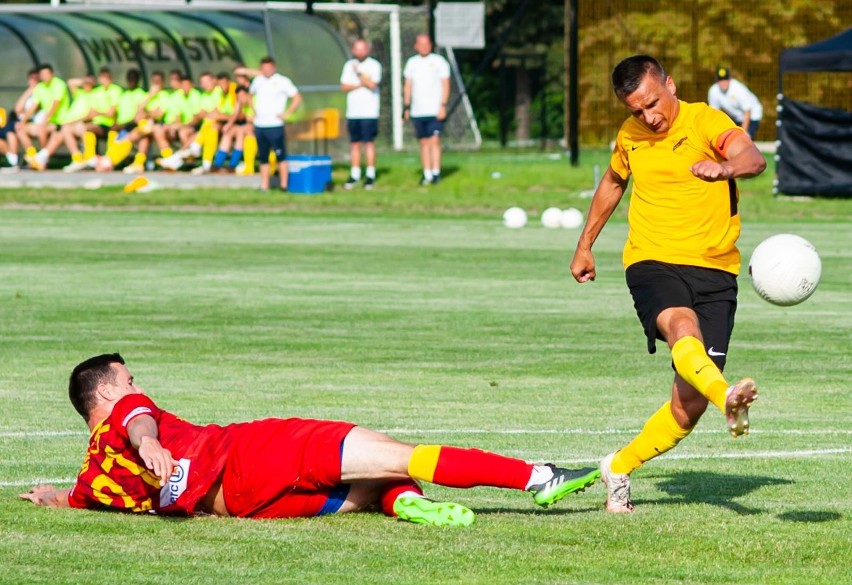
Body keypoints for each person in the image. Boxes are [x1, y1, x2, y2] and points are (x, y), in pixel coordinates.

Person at [19, 354, 599, 526]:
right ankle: (536, 477)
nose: (138, 384)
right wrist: (148, 440)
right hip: (252, 452)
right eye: (128, 377)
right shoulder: (127, 411)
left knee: (368, 489)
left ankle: (409, 502)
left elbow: (79, 496)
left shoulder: (90, 477)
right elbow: (138, 418)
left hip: (242, 508)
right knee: (399, 455)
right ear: (106, 393)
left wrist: (51, 498)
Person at [569, 55, 767, 513]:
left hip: (717, 270)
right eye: (636, 110)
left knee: (686, 407)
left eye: (652, 103)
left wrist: (726, 169)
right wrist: (585, 244)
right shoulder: (630, 135)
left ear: (670, 85)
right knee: (681, 327)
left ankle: (618, 466)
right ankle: (729, 397)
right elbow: (614, 182)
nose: (647, 116)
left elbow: (752, 157)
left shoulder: (705, 120)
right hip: (652, 260)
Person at [235, 57, 302, 191]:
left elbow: (297, 97)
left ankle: (284, 185)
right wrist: (254, 110)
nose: (266, 71)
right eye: (264, 68)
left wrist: (287, 113)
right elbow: (249, 94)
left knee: (280, 156)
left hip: (275, 124)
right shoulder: (258, 81)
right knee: (263, 157)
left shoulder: (282, 81)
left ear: (274, 68)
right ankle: (265, 186)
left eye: (269, 68)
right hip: (260, 125)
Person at [403, 34, 450, 185]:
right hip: (418, 110)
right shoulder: (412, 63)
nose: (424, 47)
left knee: (434, 140)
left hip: (434, 110)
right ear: (416, 46)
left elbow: (445, 84)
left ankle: (436, 172)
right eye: (421, 44)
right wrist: (407, 106)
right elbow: (408, 85)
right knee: (423, 142)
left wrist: (443, 105)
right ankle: (426, 173)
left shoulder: (439, 61)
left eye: (427, 44)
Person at [340, 39, 382, 190]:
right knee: (354, 144)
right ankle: (355, 174)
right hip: (353, 112)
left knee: (368, 143)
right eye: (357, 49)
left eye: (362, 49)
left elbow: (372, 84)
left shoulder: (374, 65)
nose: (360, 52)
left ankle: (370, 175)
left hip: (369, 112)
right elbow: (344, 86)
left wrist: (359, 73)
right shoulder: (348, 65)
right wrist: (360, 83)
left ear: (367, 50)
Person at [19, 63, 70, 171]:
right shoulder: (40, 87)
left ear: (52, 74)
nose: (44, 76)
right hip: (47, 122)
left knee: (42, 128)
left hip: (60, 121)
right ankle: (33, 157)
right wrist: (23, 121)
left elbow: (55, 104)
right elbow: (33, 106)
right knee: (20, 128)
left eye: (46, 74)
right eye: (42, 74)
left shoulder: (59, 84)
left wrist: (45, 119)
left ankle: (42, 161)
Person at [707, 66, 762, 139]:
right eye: (721, 80)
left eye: (725, 80)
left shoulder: (738, 89)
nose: (723, 83)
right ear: (717, 80)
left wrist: (744, 132)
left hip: (752, 115)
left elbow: (747, 111)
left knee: (745, 140)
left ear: (730, 79)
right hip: (736, 117)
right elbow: (715, 113)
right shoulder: (713, 91)